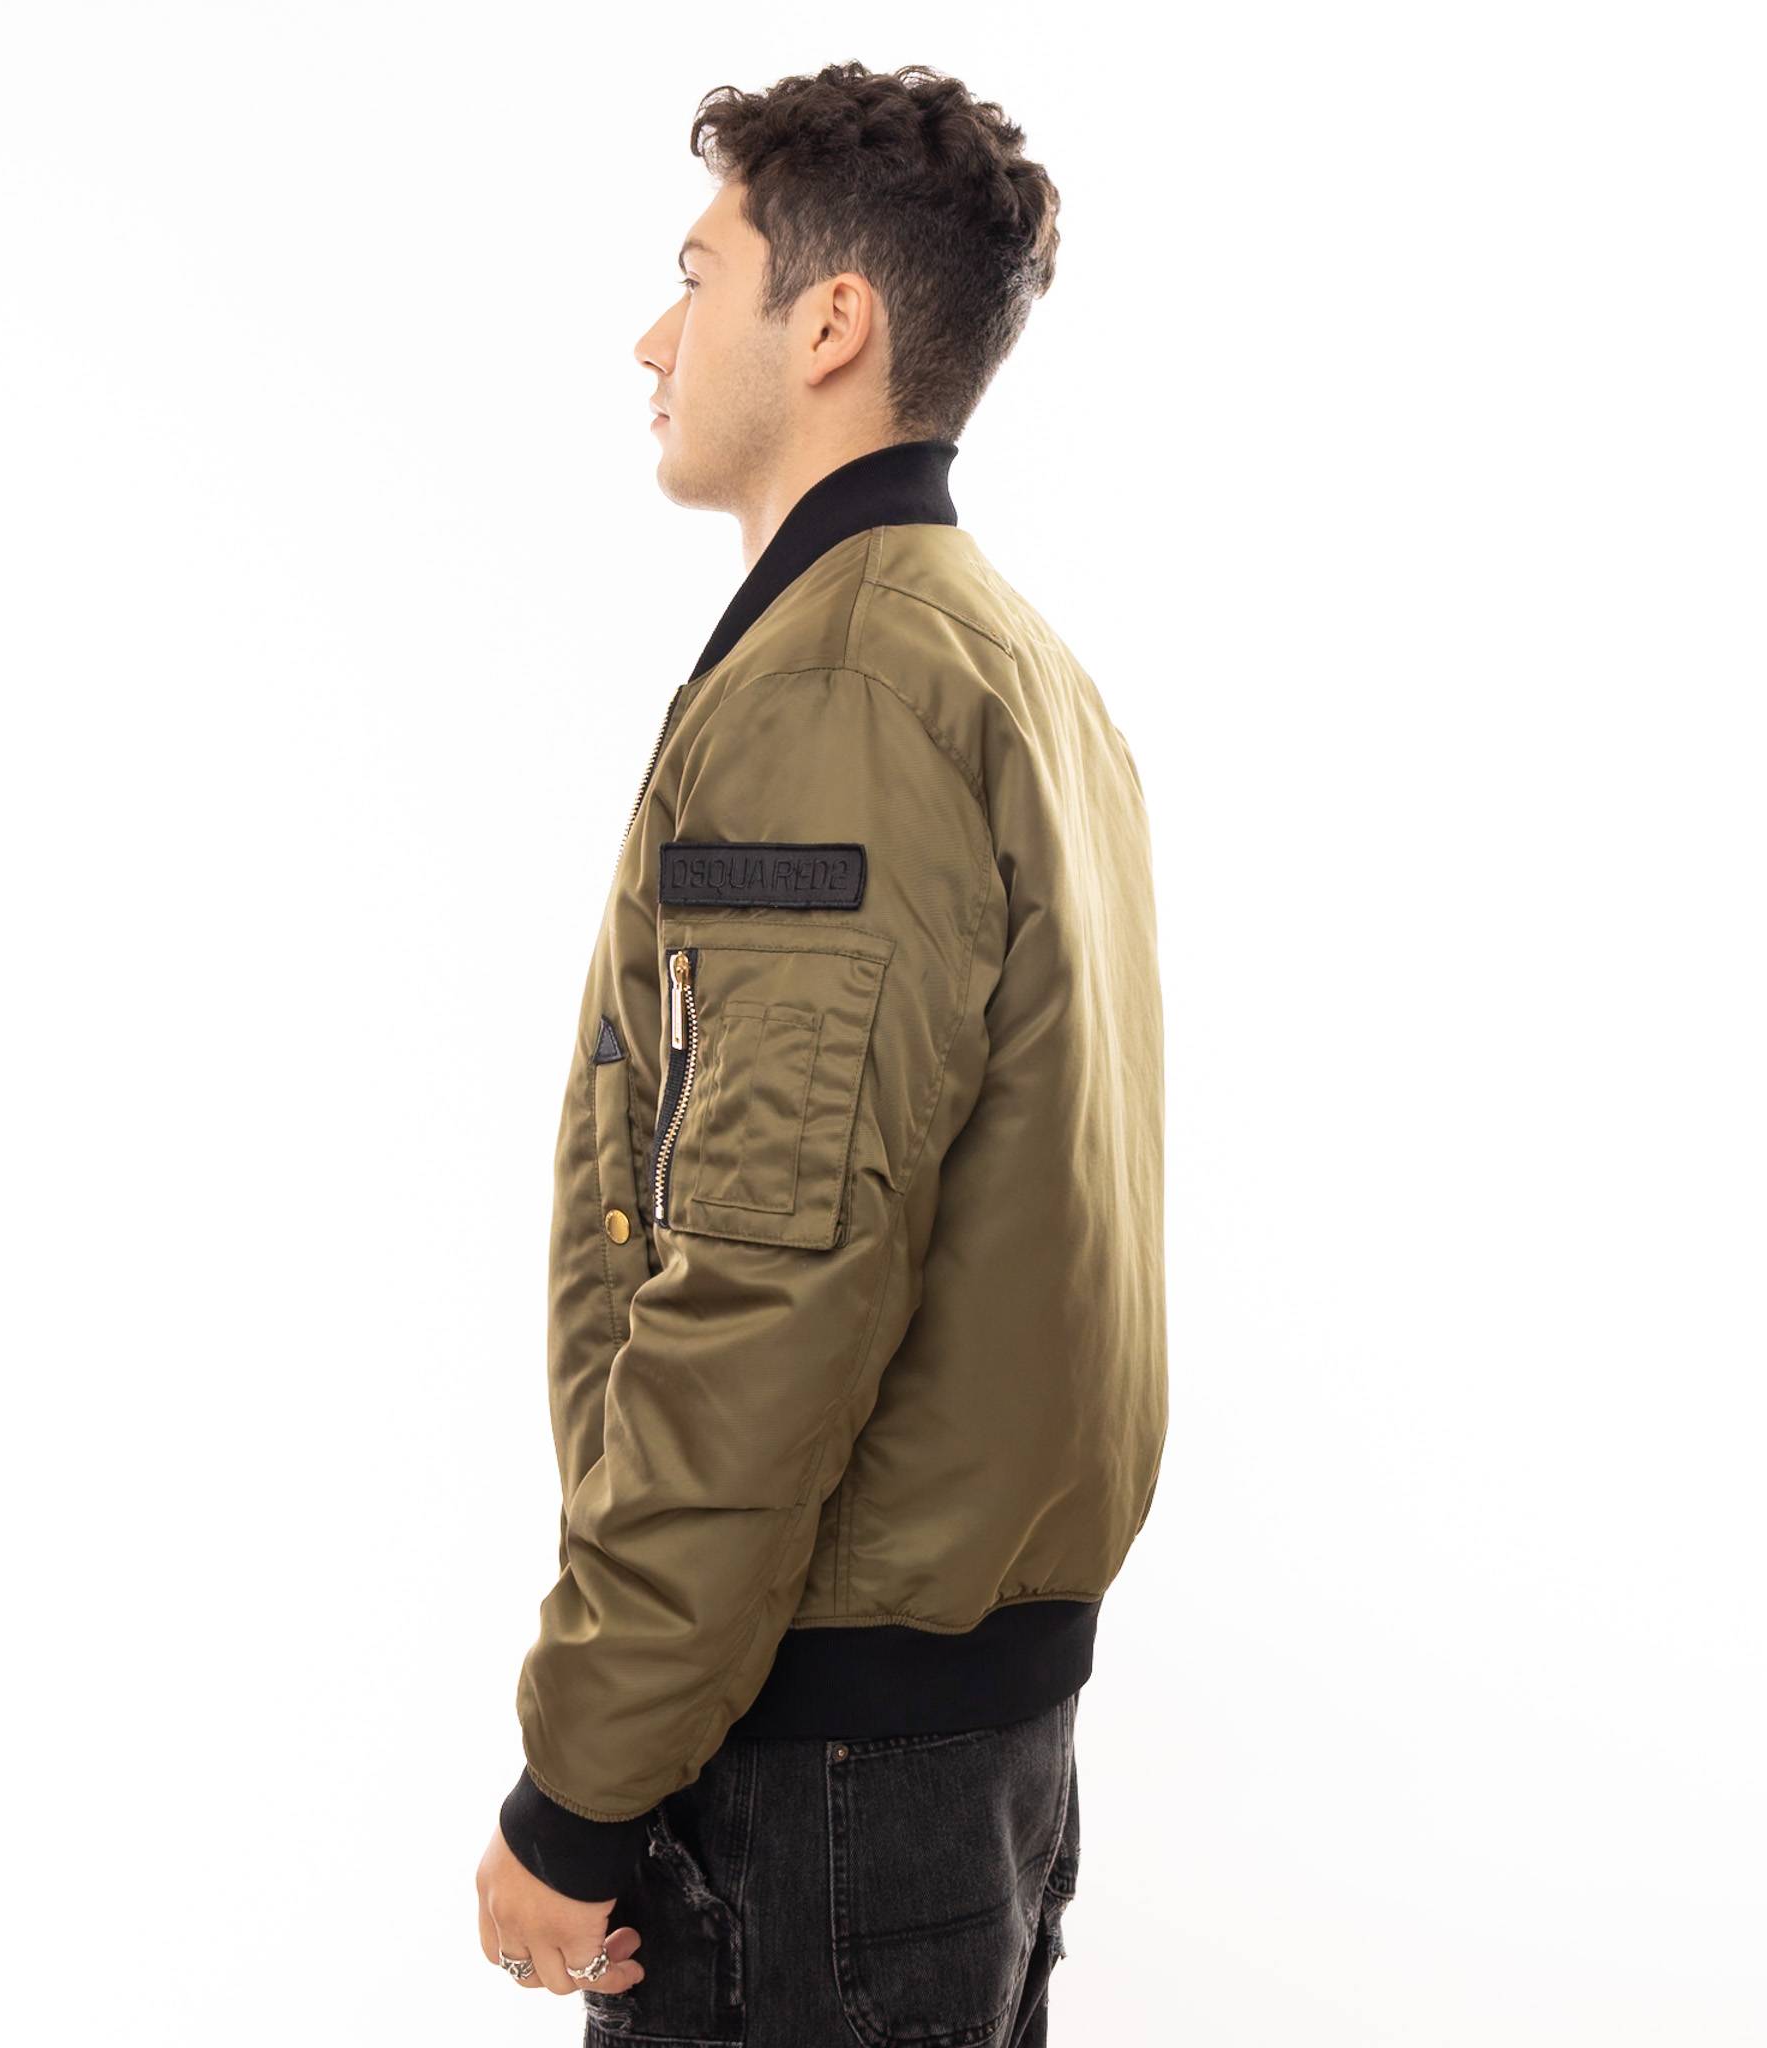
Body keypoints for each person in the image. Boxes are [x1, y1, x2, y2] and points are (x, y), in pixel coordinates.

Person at [474, 60, 1168, 2046]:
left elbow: (768, 1294)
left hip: (818, 1770)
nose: (654, 334)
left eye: (700, 275)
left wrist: (579, 1782)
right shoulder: (1008, 661)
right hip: (955, 1741)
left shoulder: (845, 693)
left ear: (833, 323)